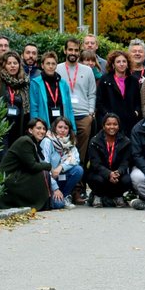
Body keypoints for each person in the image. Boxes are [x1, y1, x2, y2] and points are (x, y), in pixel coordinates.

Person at [56, 38, 96, 194]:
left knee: (81, 153)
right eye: (70, 50)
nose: (73, 53)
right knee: (63, 152)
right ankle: (63, 187)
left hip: (83, 115)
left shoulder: (87, 70)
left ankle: (78, 190)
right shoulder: (58, 68)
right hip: (64, 118)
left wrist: (90, 113)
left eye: (76, 50)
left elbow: (92, 93)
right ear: (65, 51)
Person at [0, 118, 54, 210]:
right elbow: (32, 166)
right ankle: (41, 204)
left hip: (16, 176)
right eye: (38, 128)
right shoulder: (25, 141)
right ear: (30, 130)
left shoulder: (33, 143)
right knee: (41, 173)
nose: (42, 131)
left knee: (42, 172)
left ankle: (46, 203)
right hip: (8, 180)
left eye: (44, 129)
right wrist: (49, 166)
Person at [87, 114, 134, 208]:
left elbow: (125, 162)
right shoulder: (95, 141)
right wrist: (109, 174)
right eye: (108, 124)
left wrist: (118, 172)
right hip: (100, 175)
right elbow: (95, 164)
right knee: (96, 179)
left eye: (115, 124)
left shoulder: (126, 141)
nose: (112, 127)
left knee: (127, 180)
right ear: (103, 126)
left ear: (119, 126)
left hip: (117, 176)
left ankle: (118, 196)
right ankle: (98, 195)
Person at [40, 117, 84, 210]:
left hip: (60, 175)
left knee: (78, 170)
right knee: (58, 205)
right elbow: (44, 166)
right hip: (49, 179)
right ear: (54, 128)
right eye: (60, 127)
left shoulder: (70, 142)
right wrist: (55, 188)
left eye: (66, 128)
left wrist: (61, 167)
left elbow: (76, 159)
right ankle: (56, 195)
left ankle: (65, 195)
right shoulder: (47, 141)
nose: (63, 130)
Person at [96, 50, 142, 136]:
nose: (121, 64)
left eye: (124, 61)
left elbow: (138, 101)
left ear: (127, 64)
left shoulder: (134, 80)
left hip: (129, 121)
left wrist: (136, 112)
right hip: (111, 121)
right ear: (113, 64)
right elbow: (99, 101)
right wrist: (107, 114)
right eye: (118, 62)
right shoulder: (105, 79)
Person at [0, 51, 32, 151]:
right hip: (2, 125)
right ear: (4, 65)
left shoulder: (24, 83)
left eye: (15, 63)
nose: (12, 66)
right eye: (9, 63)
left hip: (19, 124)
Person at [29, 51, 76, 130]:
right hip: (44, 127)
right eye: (48, 63)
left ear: (56, 66)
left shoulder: (63, 83)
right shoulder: (35, 83)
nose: (50, 66)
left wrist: (73, 129)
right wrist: (35, 128)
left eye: (53, 64)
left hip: (62, 128)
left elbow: (69, 108)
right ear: (42, 65)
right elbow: (34, 108)